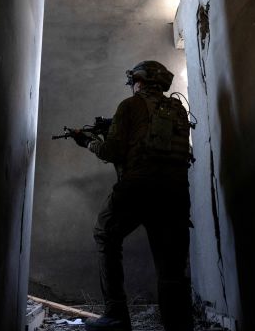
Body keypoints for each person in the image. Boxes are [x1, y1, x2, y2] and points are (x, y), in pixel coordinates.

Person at [72, 61, 194, 331]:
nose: (132, 86)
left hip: (139, 186)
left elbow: (111, 152)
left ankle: (116, 315)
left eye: (133, 81)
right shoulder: (178, 110)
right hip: (175, 191)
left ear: (140, 81)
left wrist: (88, 142)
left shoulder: (129, 106)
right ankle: (179, 325)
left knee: (105, 233)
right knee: (171, 266)